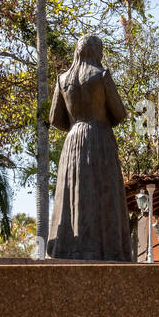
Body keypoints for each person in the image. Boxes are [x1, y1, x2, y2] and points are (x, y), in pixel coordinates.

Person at [47, 35, 134, 261]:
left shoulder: (62, 79)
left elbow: (56, 119)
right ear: (97, 52)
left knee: (72, 194)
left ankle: (69, 249)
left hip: (73, 140)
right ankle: (107, 250)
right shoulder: (101, 75)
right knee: (102, 193)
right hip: (100, 138)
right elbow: (119, 113)